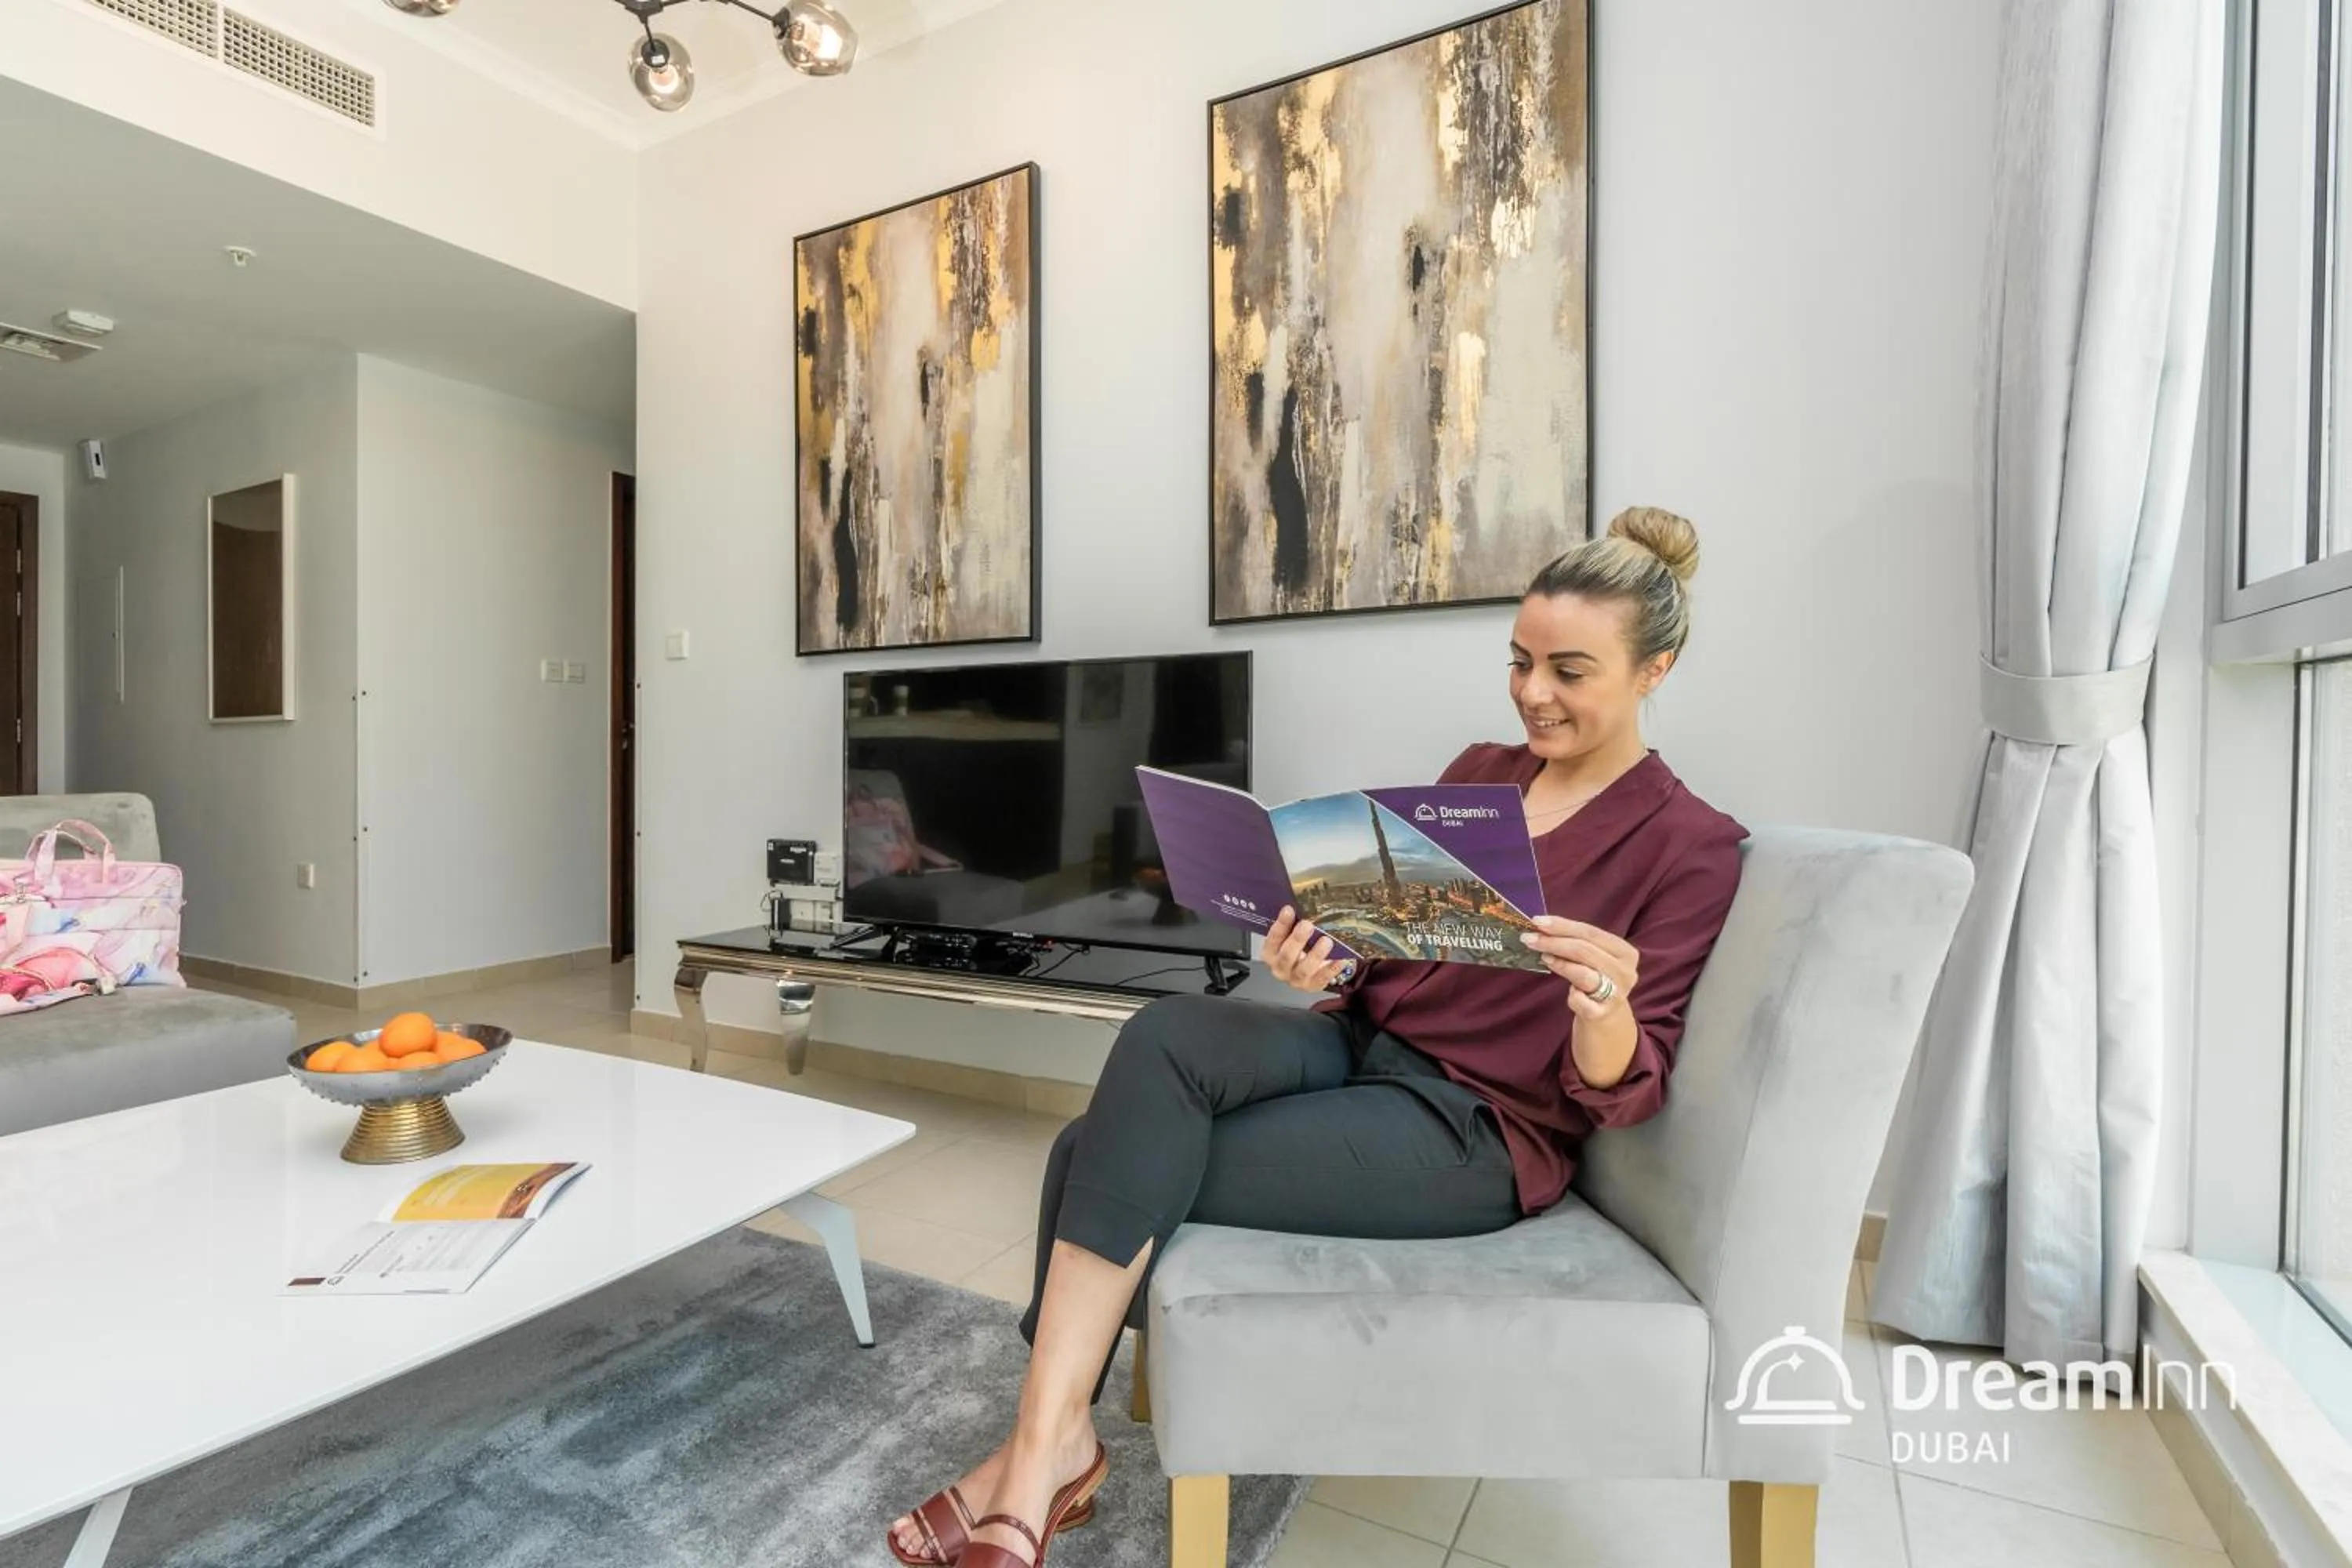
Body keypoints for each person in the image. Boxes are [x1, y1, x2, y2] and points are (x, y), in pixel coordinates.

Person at [888, 507, 1749, 1568]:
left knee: (1085, 1155)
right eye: (1520, 662)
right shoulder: (1486, 770)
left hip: (1474, 1127)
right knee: (1166, 1034)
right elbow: (1394, 952)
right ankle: (1052, 1442)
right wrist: (1325, 958)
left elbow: (1628, 1087)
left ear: (1656, 668)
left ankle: (1032, 1462)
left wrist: (1604, 1008)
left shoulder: (1692, 844)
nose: (1534, 693)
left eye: (1571, 671)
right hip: (1358, 1044)